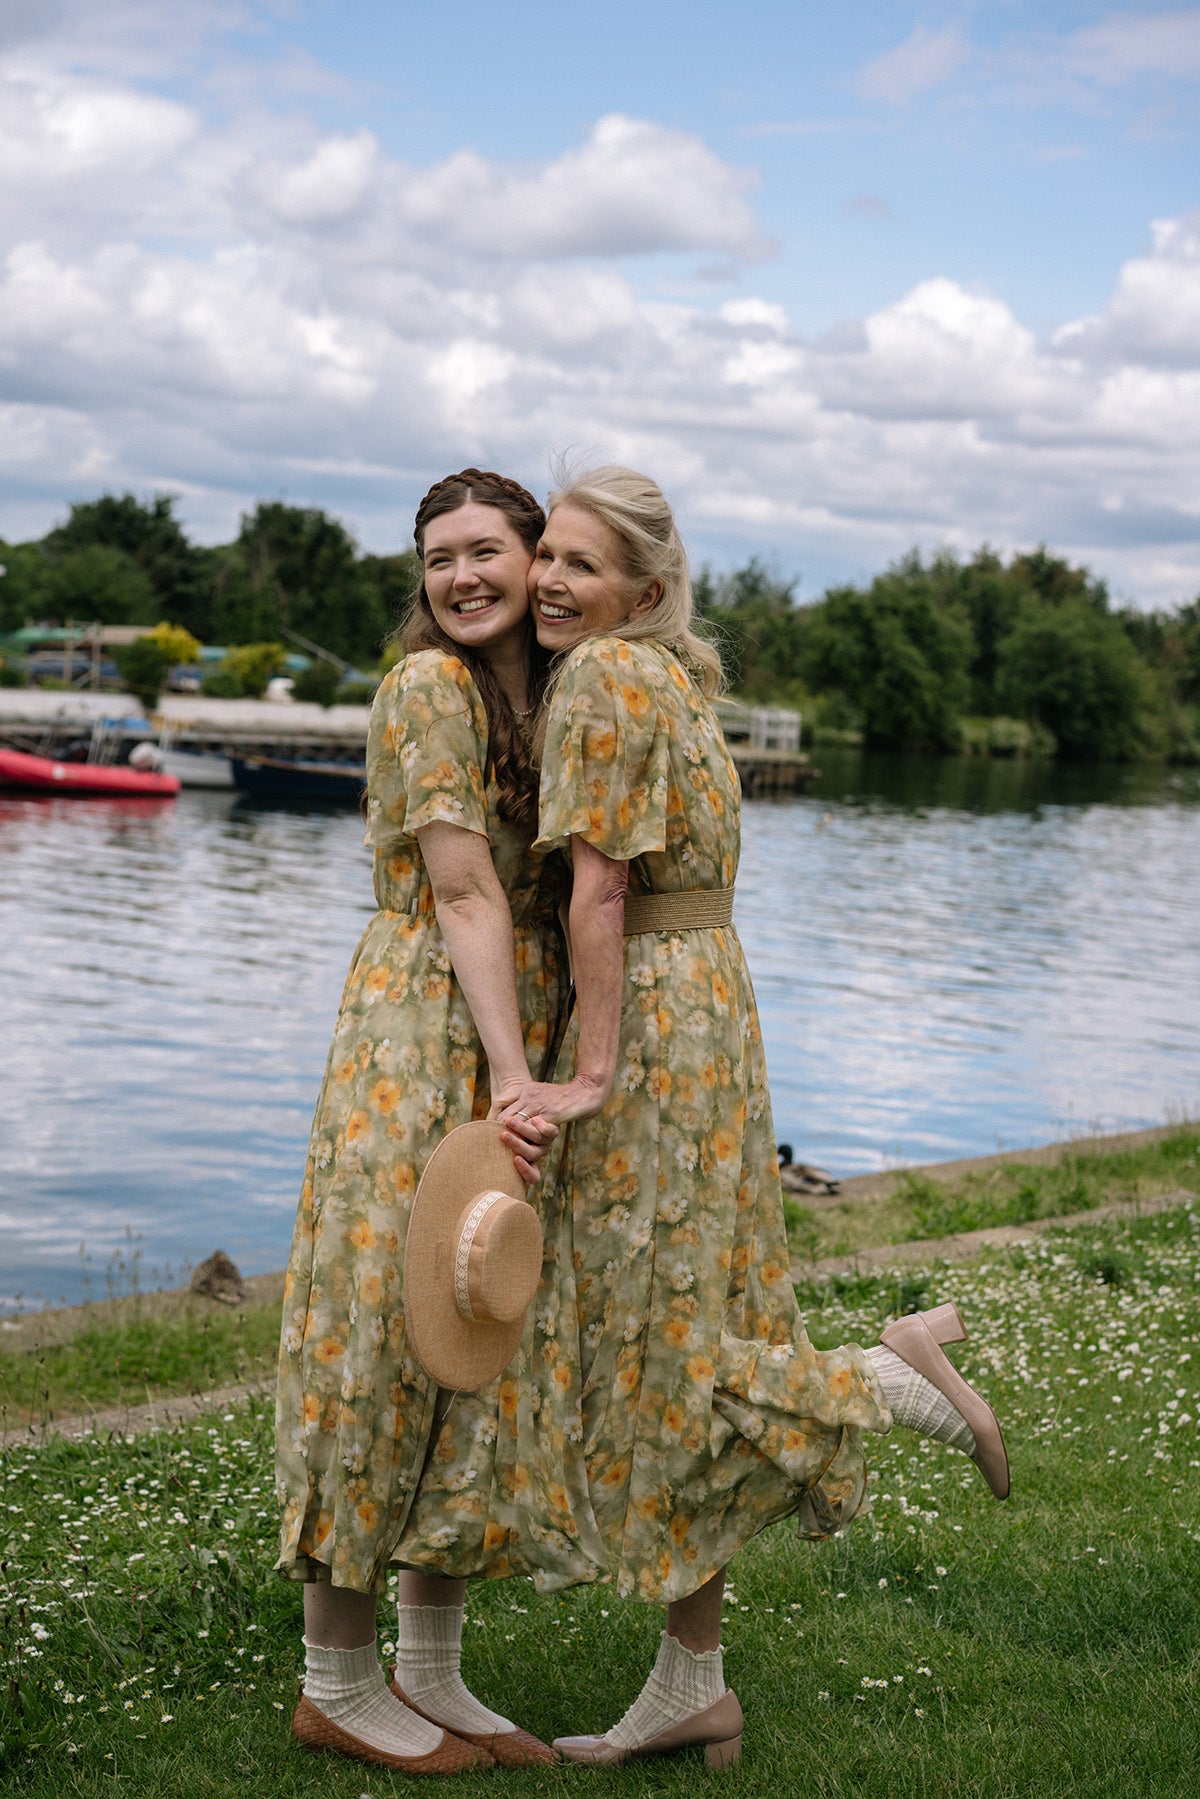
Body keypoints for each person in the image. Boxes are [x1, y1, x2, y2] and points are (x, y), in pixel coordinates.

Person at [486, 465, 1008, 1768]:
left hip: (654, 1027)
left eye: (581, 567)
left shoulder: (605, 682)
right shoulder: (677, 686)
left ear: (644, 592)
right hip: (714, 1007)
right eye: (545, 553)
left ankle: (886, 1378)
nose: (548, 579)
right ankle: (691, 1683)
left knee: (655, 1341)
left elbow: (599, 895)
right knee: (698, 1314)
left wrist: (593, 1068)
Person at [274, 469, 564, 1774]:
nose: (462, 577)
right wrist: (515, 1078)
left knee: (473, 1335)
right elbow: (459, 892)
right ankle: (336, 1683)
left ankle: (432, 1676)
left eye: (486, 550)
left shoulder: (542, 696)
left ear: (534, 556)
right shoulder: (428, 691)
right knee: (382, 1334)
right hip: (424, 1035)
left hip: (503, 1026)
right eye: (440, 556)